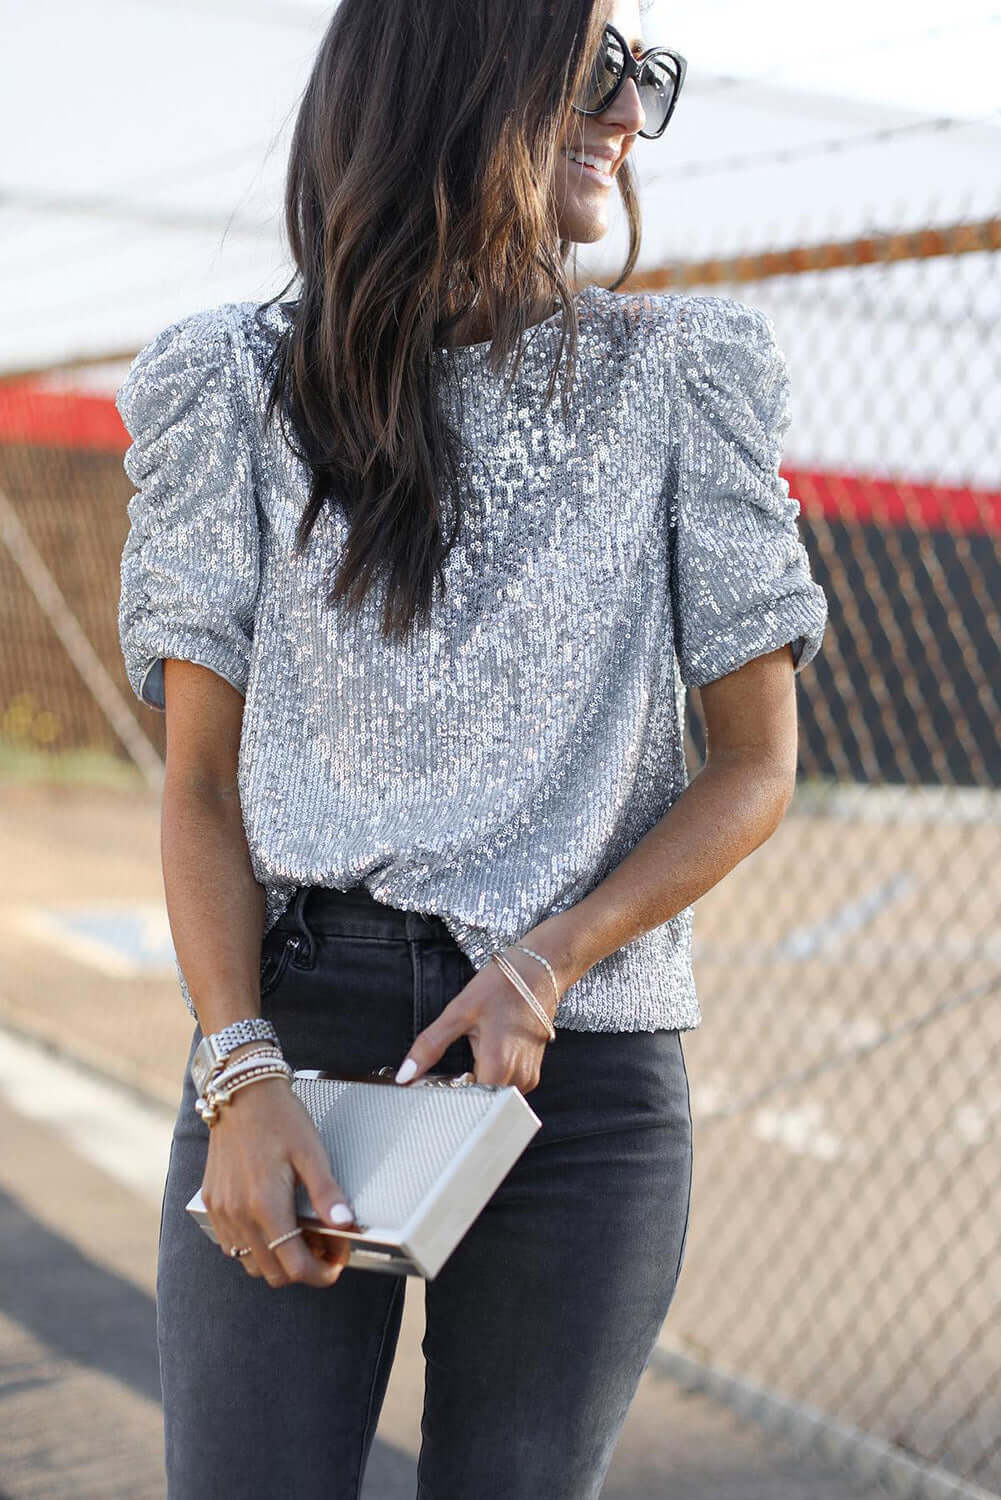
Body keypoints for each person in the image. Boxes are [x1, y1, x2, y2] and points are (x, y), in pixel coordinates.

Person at [115, 0, 828, 1495]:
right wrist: (238, 1072)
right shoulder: (227, 385)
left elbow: (753, 766)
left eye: (646, 75)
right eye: (595, 68)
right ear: (453, 72)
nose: (630, 110)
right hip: (290, 1035)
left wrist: (548, 958)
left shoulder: (684, 374)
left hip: (582, 1072)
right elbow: (196, 784)